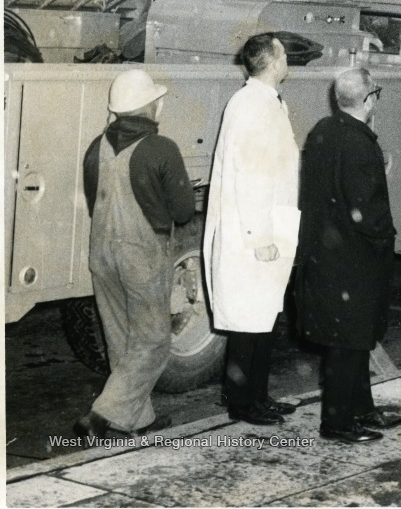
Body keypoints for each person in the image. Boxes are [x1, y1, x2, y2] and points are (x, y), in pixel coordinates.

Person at [75, 69, 195, 440]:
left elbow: (96, 201)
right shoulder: (162, 148)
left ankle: (137, 419)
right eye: (157, 99)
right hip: (141, 253)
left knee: (122, 338)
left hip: (101, 250)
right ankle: (100, 416)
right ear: (149, 106)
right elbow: (183, 211)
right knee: (155, 341)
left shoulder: (96, 146)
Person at [295, 68, 401, 443]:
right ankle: (338, 423)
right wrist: (385, 238)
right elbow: (366, 209)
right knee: (348, 341)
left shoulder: (322, 131)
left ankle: (361, 407)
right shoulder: (359, 144)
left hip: (327, 254)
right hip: (353, 260)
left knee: (354, 337)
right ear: (369, 100)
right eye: (376, 93)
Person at [203, 34, 300, 427]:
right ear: (275, 62)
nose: (287, 58)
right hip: (253, 236)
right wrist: (260, 238)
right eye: (284, 53)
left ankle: (258, 395)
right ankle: (243, 404)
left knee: (263, 319)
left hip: (268, 230)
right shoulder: (252, 106)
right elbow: (252, 177)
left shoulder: (266, 102)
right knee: (249, 325)